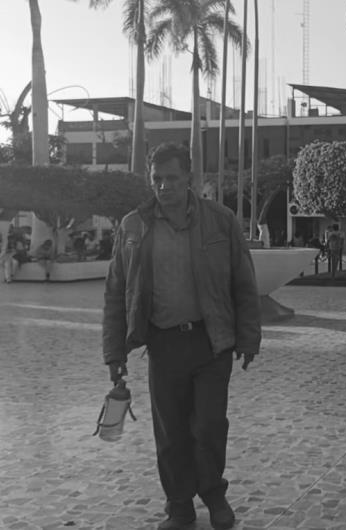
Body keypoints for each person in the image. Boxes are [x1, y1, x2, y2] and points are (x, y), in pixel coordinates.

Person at [102, 142, 261, 530]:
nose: (164, 186)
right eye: (157, 179)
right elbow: (116, 292)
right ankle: (179, 506)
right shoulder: (133, 226)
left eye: (172, 178)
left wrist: (248, 337)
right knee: (171, 433)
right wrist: (114, 353)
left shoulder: (220, 220)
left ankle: (214, 495)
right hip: (163, 345)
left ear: (189, 177)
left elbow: (244, 281)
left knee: (209, 426)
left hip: (211, 342)